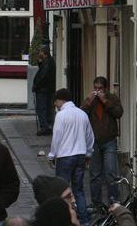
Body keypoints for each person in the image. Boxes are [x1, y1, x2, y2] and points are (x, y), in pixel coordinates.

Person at [49, 88, 94, 226]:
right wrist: (88, 153)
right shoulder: (82, 114)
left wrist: (52, 155)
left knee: (62, 189)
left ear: (60, 100)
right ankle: (84, 220)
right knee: (79, 189)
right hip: (80, 155)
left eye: (55, 102)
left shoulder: (61, 116)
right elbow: (89, 136)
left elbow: (57, 136)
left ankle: (63, 219)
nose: (55, 105)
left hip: (65, 156)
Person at [81, 76, 124, 206]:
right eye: (95, 88)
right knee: (95, 174)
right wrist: (88, 102)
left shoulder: (112, 98)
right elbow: (81, 114)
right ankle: (96, 203)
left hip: (109, 140)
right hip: (94, 142)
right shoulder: (91, 100)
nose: (97, 91)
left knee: (111, 171)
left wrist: (105, 102)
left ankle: (113, 200)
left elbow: (119, 113)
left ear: (105, 88)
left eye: (100, 88)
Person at [32, 45, 56, 136]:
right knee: (46, 107)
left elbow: (43, 76)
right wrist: (39, 62)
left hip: (43, 89)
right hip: (47, 89)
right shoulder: (48, 61)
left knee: (41, 108)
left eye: (40, 52)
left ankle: (44, 127)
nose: (39, 53)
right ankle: (47, 126)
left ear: (44, 52)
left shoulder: (47, 63)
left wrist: (36, 86)